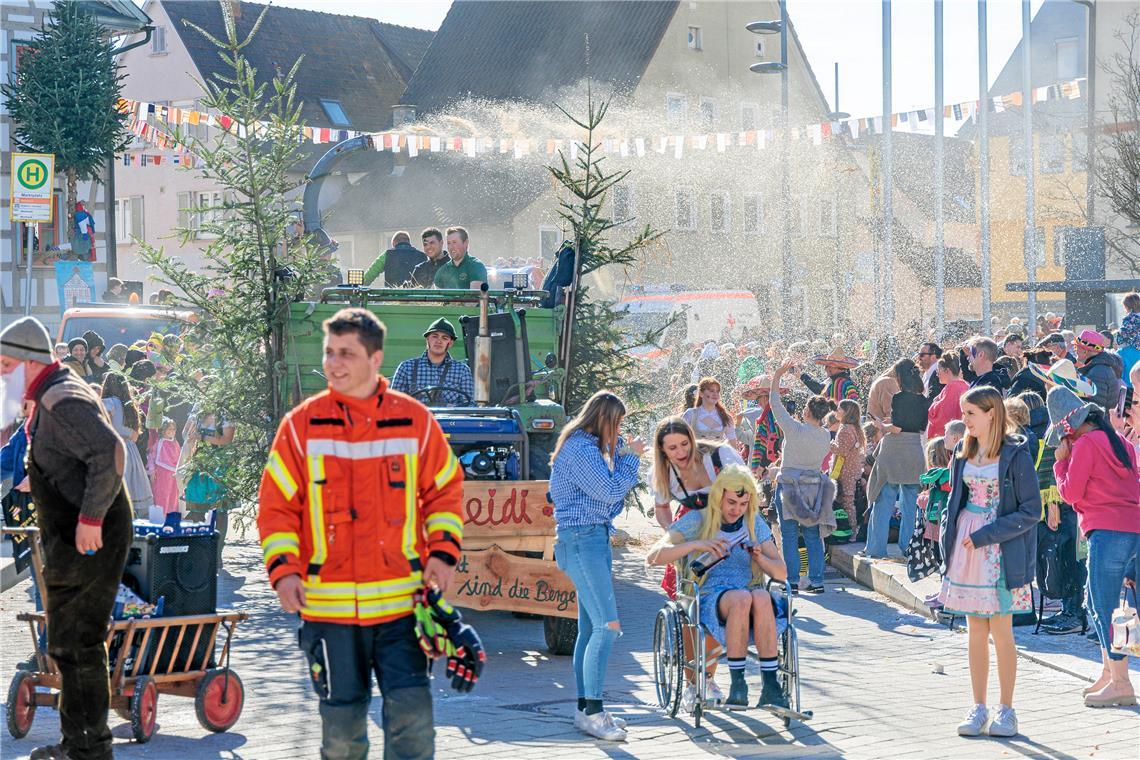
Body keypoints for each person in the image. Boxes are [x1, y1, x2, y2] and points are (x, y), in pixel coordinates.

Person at [258, 307, 469, 760]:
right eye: (330, 352)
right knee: (341, 735)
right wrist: (283, 572)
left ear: (375, 359)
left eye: (346, 354)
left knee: (412, 729)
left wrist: (444, 553)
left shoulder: (413, 422)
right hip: (328, 610)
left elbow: (445, 491)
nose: (334, 363)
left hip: (401, 610)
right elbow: (277, 509)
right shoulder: (300, 427)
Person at [0, 316, 132, 760]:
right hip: (68, 530)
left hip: (93, 532)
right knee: (64, 641)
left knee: (81, 641)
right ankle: (76, 743)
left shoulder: (63, 396)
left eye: (3, 364)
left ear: (29, 362)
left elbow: (111, 452)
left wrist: (92, 518)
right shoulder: (41, 394)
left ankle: (90, 751)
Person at [939, 386, 1040, 738]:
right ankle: (978, 706)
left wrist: (985, 534)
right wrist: (947, 542)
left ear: (991, 414)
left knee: (1001, 631)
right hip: (967, 549)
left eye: (970, 414)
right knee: (974, 632)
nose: (963, 420)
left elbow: (1031, 511)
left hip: (1000, 549)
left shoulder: (1015, 453)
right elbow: (956, 501)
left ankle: (1006, 709)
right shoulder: (963, 451)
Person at [647, 465, 789, 710]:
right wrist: (698, 545)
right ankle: (738, 685)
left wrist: (759, 558)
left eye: (743, 504)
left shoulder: (753, 521)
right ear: (719, 496)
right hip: (710, 595)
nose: (737, 510)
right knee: (743, 598)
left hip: (750, 593)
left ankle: (770, 687)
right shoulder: (698, 520)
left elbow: (781, 573)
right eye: (731, 502)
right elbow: (654, 555)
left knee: (763, 597)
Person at [548, 390, 645, 742]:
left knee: (590, 629)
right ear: (604, 419)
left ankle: (585, 708)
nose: (618, 432)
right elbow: (609, 493)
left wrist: (619, 456)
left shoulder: (582, 447)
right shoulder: (582, 450)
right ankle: (593, 712)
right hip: (583, 540)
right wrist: (630, 459)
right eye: (617, 424)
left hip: (592, 537)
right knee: (608, 626)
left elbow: (609, 502)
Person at [1049, 386, 1140, 707]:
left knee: (1101, 607)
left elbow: (1071, 494)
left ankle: (1121, 681)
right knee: (1121, 606)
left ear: (1070, 428)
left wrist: (1060, 465)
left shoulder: (1086, 444)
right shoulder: (1121, 442)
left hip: (1107, 531)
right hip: (1134, 528)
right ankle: (1109, 673)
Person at [768, 361, 835, 594]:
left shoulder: (794, 430)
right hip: (813, 487)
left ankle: (793, 581)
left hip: (788, 485)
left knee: (788, 535)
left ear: (806, 411)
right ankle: (816, 580)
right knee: (812, 535)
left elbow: (774, 403)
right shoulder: (825, 435)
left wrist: (777, 375)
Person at [864, 359, 928, 559]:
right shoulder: (924, 400)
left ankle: (875, 549)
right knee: (911, 503)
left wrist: (881, 425)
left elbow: (897, 428)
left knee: (883, 500)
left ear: (900, 377)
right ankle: (908, 547)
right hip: (915, 449)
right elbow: (918, 427)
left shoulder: (899, 397)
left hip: (894, 449)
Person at [101, 373, 155, 521]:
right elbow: (135, 436)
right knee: (132, 490)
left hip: (114, 449)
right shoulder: (130, 405)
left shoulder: (108, 402)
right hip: (131, 451)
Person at [390, 318, 476, 406]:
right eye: (435, 336)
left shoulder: (462, 370)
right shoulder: (406, 367)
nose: (439, 341)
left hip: (449, 419)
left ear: (450, 343)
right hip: (415, 418)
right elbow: (393, 403)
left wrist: (452, 408)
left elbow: (470, 404)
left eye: (444, 338)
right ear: (427, 339)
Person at [830, 399, 866, 544]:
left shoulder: (845, 429)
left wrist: (831, 445)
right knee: (850, 501)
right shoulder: (855, 428)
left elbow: (842, 451)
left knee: (847, 501)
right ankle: (851, 529)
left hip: (845, 471)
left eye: (839, 409)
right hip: (853, 470)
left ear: (846, 412)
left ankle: (852, 531)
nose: (836, 411)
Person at [682, 376, 742, 449]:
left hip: (717, 458)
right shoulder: (690, 414)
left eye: (717, 391)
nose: (715, 394)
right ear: (701, 393)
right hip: (696, 458)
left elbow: (733, 444)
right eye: (711, 391)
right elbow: (680, 438)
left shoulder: (726, 417)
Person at [1073, 329, 1122, 415]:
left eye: (1076, 347)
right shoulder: (1097, 368)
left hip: (1098, 425)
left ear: (1085, 351)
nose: (1074, 350)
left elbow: (1094, 409)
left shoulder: (1097, 373)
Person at [927, 352, 969, 438]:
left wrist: (934, 403)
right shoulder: (965, 385)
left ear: (947, 370)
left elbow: (942, 417)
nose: (937, 374)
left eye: (938, 370)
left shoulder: (952, 387)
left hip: (949, 438)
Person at [148, 418, 182, 524]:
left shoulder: (176, 443)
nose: (171, 431)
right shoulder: (159, 443)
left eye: (173, 429)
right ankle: (160, 519)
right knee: (162, 496)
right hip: (162, 475)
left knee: (173, 496)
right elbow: (151, 457)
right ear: (163, 430)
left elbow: (180, 458)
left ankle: (171, 520)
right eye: (169, 429)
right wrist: (152, 471)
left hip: (173, 476)